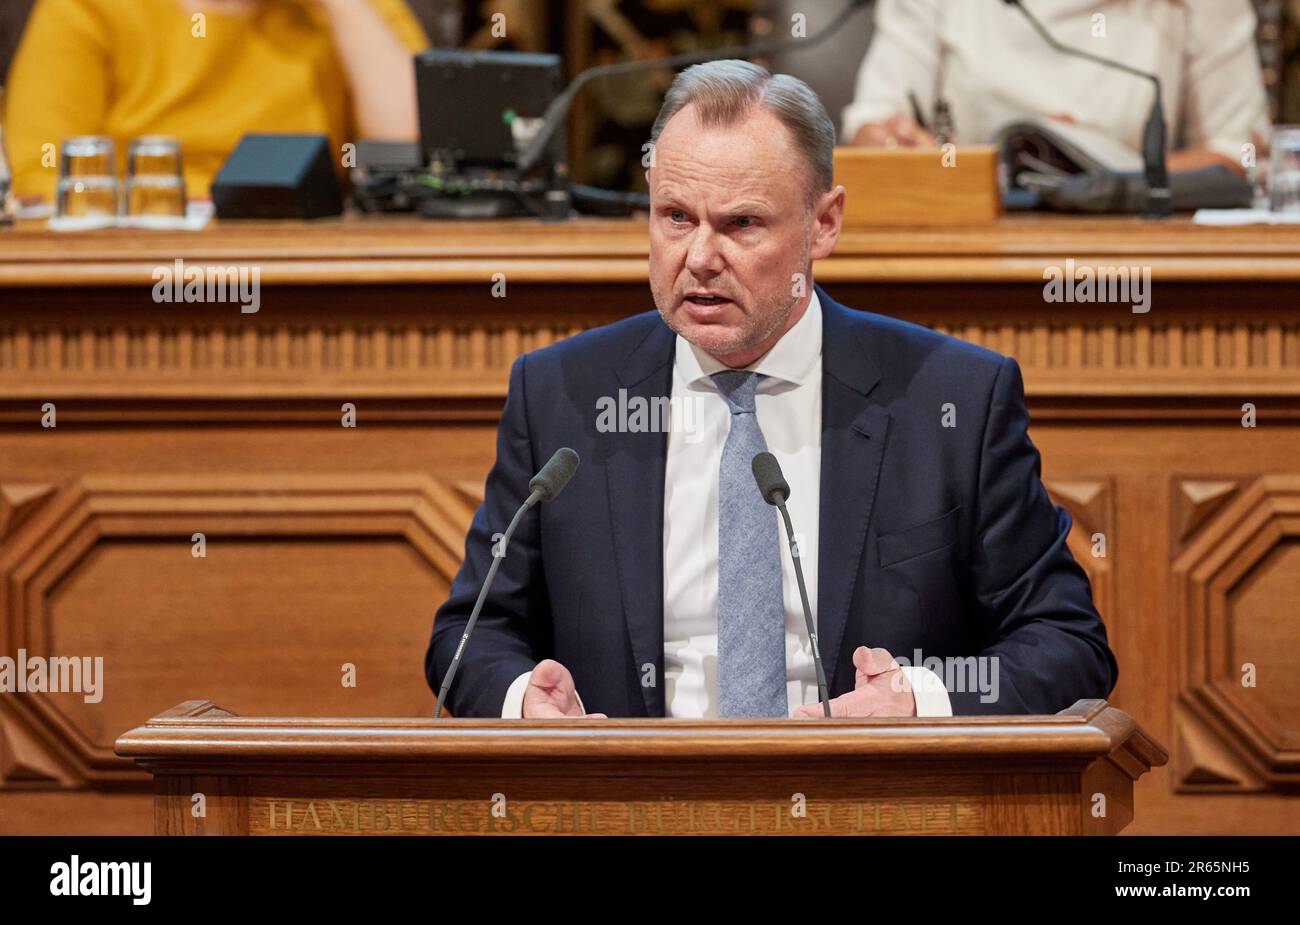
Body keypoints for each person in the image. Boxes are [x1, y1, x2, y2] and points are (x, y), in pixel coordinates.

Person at [425, 59, 1117, 720]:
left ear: (824, 224)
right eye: (675, 217)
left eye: (741, 223)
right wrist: (525, 700)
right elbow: (471, 634)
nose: (698, 258)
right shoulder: (561, 396)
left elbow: (1068, 644)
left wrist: (920, 702)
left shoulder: (954, 401)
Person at [2, 0, 428, 203]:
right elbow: (37, 171)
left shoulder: (351, 11)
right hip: (134, 261)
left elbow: (412, 143)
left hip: (300, 262)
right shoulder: (89, 9)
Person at [842, 0, 1268, 175]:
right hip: (971, 244)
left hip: (1135, 259)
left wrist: (1104, 176)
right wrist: (892, 142)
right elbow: (871, 125)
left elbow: (1241, 155)